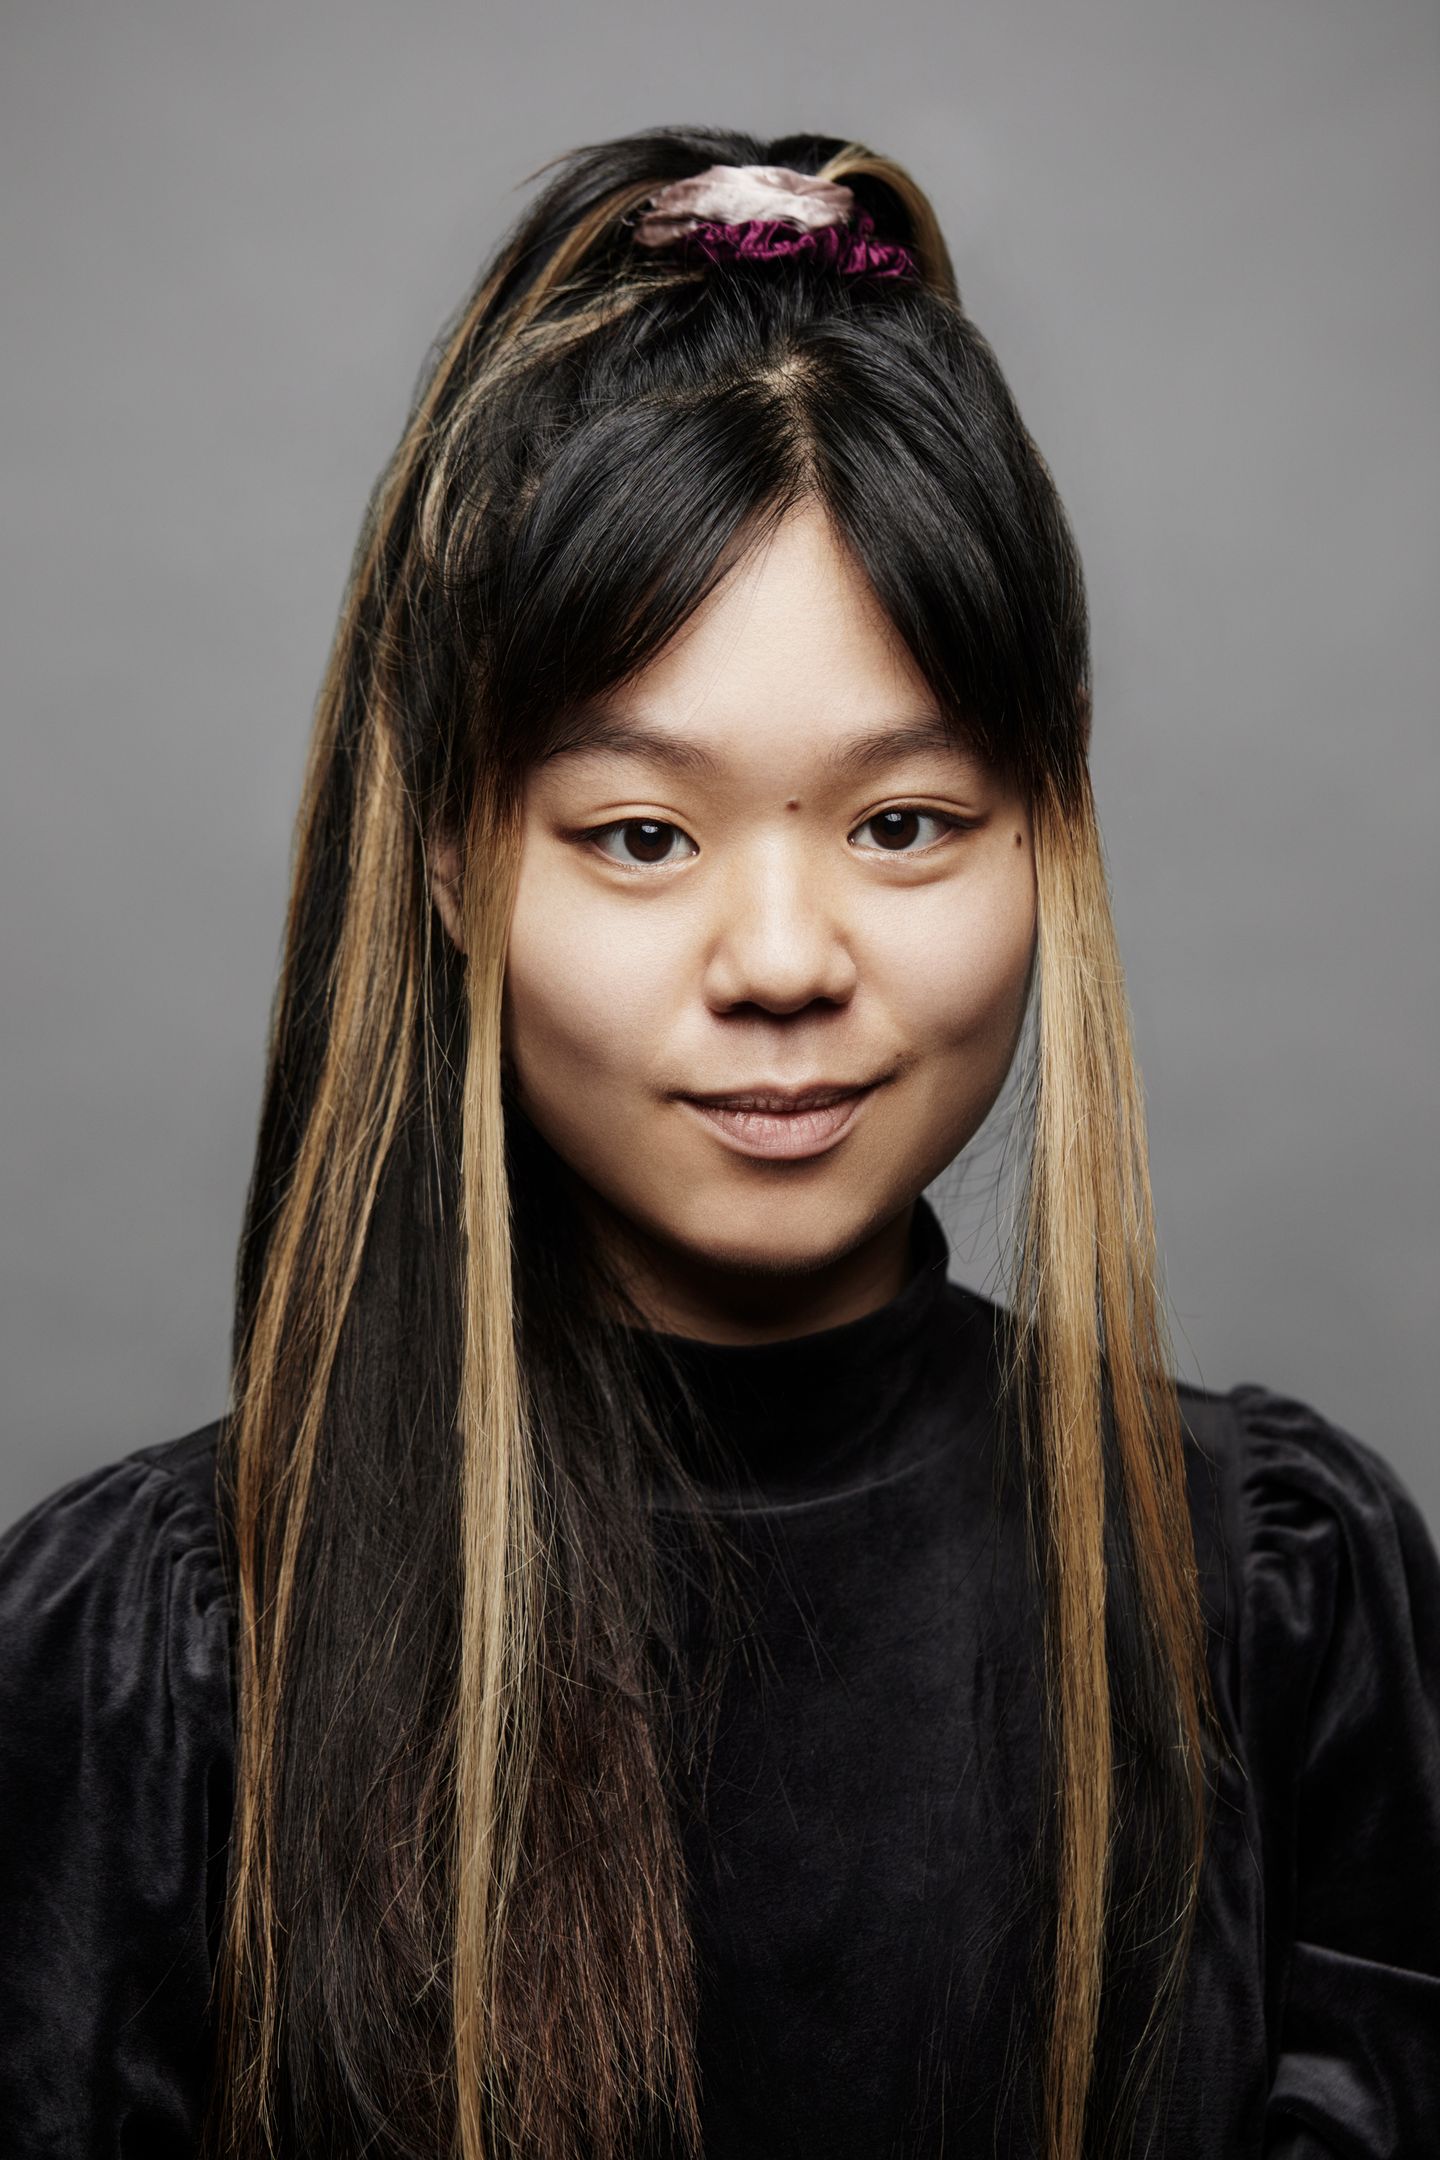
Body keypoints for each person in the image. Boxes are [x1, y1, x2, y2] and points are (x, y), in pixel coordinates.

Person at [0, 126, 1436, 2160]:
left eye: (903, 824)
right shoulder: (164, 1659)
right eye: (641, 836)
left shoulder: (1275, 1601)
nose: (781, 960)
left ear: (1053, 832)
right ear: (453, 858)